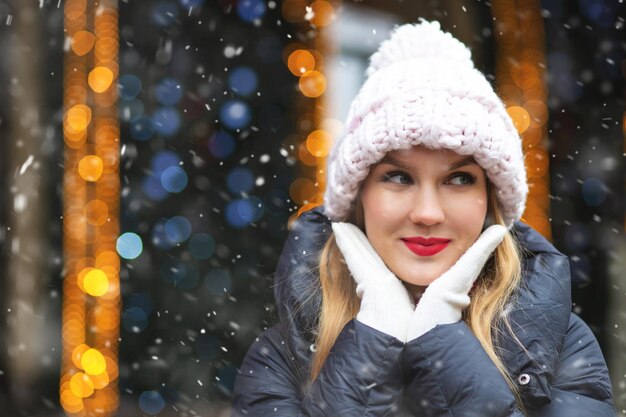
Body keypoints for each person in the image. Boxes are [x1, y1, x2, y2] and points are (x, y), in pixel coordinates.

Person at [231, 20, 615, 416]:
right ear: (359, 195)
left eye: (460, 179)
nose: (428, 213)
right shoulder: (281, 358)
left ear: (490, 199)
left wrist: (443, 343)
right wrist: (374, 337)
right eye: (398, 177)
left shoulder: (560, 343)